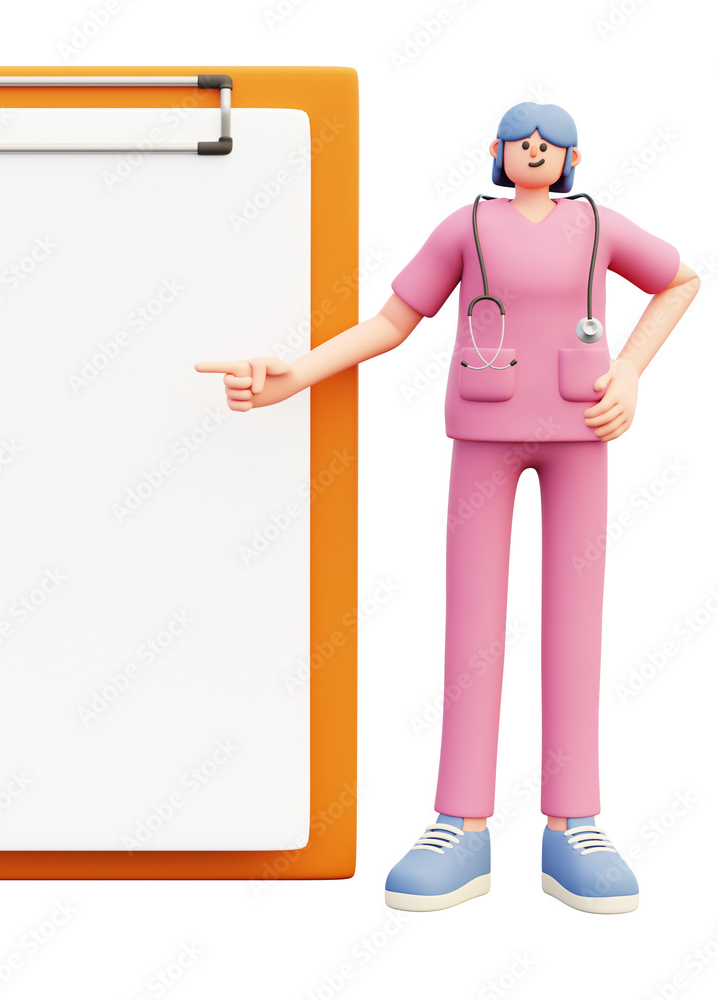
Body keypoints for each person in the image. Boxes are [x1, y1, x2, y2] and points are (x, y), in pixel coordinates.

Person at [195, 102, 699, 913]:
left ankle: (575, 823)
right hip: (483, 435)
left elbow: (680, 280)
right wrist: (296, 374)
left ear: (570, 158)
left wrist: (632, 371)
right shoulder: (466, 228)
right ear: (498, 151)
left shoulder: (600, 226)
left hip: (581, 433)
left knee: (576, 624)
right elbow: (392, 323)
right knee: (472, 624)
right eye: (521, 144)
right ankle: (460, 825)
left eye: (548, 146)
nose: (533, 154)